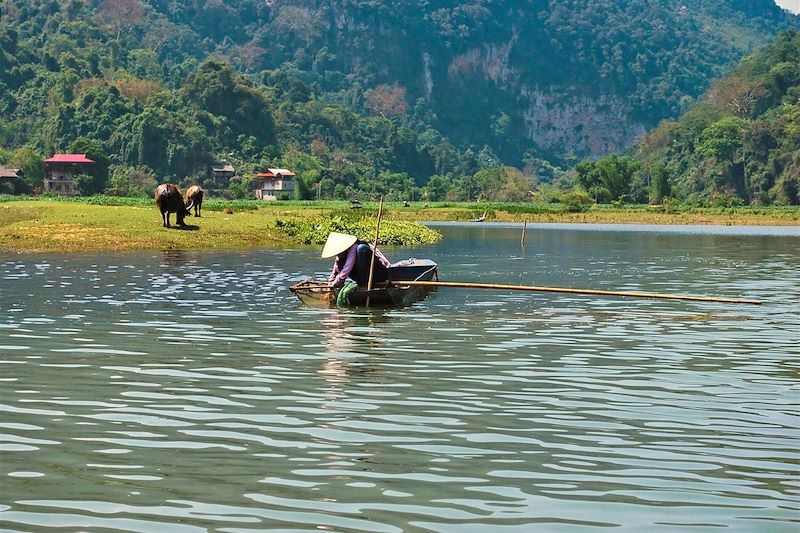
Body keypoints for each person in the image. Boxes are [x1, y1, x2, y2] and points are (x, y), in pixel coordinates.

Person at [322, 232, 391, 287]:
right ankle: (362, 283)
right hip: (362, 276)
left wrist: (339, 280)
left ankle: (363, 284)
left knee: (361, 249)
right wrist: (331, 282)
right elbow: (336, 268)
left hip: (378, 273)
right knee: (341, 264)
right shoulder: (340, 254)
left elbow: (348, 265)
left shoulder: (354, 247)